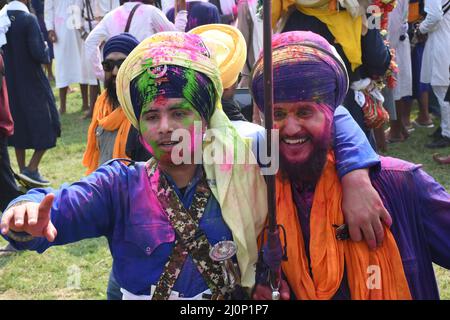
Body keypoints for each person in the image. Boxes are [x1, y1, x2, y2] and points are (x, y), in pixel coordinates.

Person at [2, 31, 389, 300]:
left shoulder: (247, 153)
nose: (165, 128)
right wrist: (23, 214)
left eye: (180, 112)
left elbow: (327, 115)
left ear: (205, 114)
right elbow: (61, 206)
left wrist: (355, 174)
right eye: (152, 116)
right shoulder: (120, 185)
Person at [251, 31, 450, 300]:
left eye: (305, 111)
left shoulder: (398, 183)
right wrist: (263, 284)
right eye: (278, 114)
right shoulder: (260, 192)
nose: (291, 127)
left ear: (331, 112)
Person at [277, 2, 392, 148]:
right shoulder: (367, 10)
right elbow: (378, 61)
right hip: (350, 116)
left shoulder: (294, 15)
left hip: (303, 121)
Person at [1, 0, 60, 186]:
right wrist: (44, 47)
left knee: (18, 125)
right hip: (32, 82)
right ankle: (32, 168)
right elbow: (39, 54)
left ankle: (22, 170)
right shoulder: (28, 19)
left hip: (10, 84)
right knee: (49, 124)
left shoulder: (3, 20)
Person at [85, 0, 188, 82]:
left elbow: (90, 43)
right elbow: (177, 39)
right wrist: (182, 12)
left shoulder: (111, 15)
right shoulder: (151, 12)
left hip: (118, 80)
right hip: (143, 78)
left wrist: (104, 74)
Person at [82, 33, 139, 175]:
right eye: (108, 65)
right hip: (101, 187)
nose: (115, 71)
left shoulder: (144, 110)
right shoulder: (102, 103)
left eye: (122, 64)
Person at [45, 0, 98, 115]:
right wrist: (50, 29)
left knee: (82, 66)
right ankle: (63, 106)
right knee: (62, 66)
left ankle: (85, 103)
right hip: (61, 32)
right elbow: (48, 10)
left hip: (81, 31)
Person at [419, 0, 450, 148]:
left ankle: (447, 134)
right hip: (445, 37)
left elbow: (435, 16)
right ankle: (445, 127)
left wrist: (421, 28)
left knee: (443, 91)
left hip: (441, 42)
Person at [31, 0, 54, 81]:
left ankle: (50, 73)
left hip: (51, 22)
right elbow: (33, 10)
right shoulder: (34, 1)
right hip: (40, 23)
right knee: (44, 48)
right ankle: (48, 73)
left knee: (51, 50)